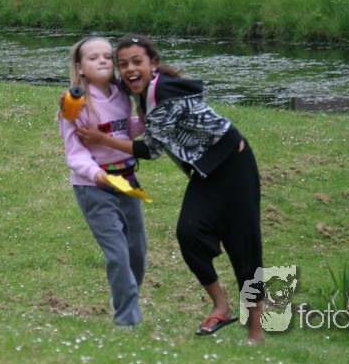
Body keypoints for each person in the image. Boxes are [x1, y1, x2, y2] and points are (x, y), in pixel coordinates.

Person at [78, 34, 265, 344]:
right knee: (189, 233)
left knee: (243, 246)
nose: (129, 69)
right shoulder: (138, 87)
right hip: (206, 171)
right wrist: (75, 91)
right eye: (123, 64)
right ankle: (221, 306)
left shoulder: (162, 91)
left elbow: (150, 150)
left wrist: (101, 139)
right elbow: (102, 86)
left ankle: (256, 332)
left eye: (137, 62)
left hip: (234, 165)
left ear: (153, 63)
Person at [60, 36, 147, 328]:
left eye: (107, 57)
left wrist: (142, 119)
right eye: (93, 57)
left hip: (127, 182)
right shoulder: (75, 104)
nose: (102, 61)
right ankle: (127, 320)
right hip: (94, 187)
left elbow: (124, 131)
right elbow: (74, 152)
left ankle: (124, 298)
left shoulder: (121, 95)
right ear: (79, 67)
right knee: (118, 254)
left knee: (137, 252)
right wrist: (94, 172)